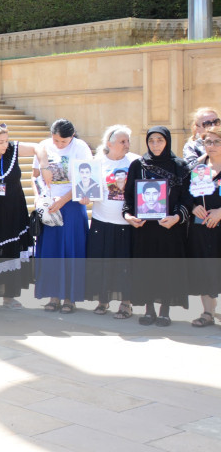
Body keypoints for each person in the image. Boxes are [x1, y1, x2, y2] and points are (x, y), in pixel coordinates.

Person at [124, 127, 190, 327]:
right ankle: (149, 309)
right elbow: (128, 196)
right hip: (145, 229)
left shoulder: (180, 166)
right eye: (151, 141)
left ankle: (165, 311)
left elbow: (187, 198)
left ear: (167, 141)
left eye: (159, 140)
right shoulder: (138, 165)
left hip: (169, 229)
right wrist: (128, 216)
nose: (155, 145)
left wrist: (177, 217)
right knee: (147, 270)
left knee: (167, 269)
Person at [0, 123, 41, 311]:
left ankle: (9, 296)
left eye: (6, 141)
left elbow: (39, 147)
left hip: (15, 211)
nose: (5, 145)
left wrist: (43, 165)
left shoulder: (12, 151)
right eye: (1, 142)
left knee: (12, 251)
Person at [34, 119, 93, 313]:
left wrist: (63, 200)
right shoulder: (44, 146)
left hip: (72, 206)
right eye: (56, 140)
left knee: (70, 251)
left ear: (72, 137)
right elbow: (34, 175)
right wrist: (39, 199)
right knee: (51, 252)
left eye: (63, 142)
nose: (59, 144)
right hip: (50, 205)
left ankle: (69, 297)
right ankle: (53, 295)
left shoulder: (81, 148)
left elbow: (85, 180)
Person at [84, 126, 140, 318]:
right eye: (122, 141)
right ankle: (103, 301)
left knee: (125, 265)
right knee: (102, 263)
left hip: (127, 224)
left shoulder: (135, 161)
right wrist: (85, 198)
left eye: (127, 141)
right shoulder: (96, 162)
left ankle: (126, 303)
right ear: (109, 144)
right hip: (102, 221)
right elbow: (87, 191)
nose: (127, 145)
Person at [186, 128, 221, 328]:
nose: (212, 146)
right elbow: (185, 196)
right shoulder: (198, 168)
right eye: (208, 142)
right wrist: (194, 207)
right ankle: (207, 312)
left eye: (217, 142)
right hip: (201, 227)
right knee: (204, 268)